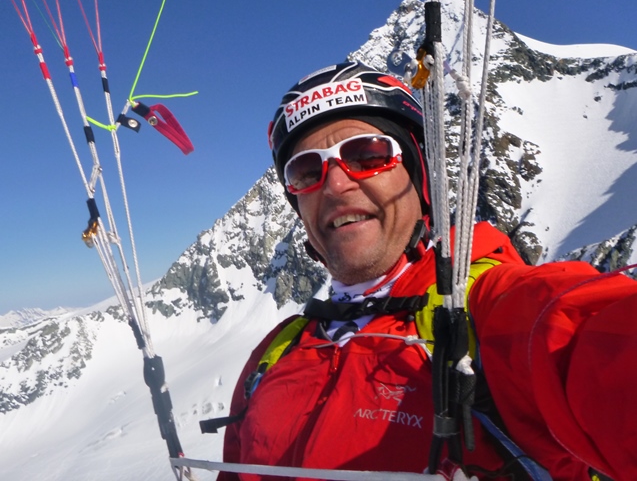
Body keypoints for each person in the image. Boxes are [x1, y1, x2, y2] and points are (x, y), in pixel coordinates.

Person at [216, 61, 637, 481]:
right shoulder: (274, 354)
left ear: (419, 176)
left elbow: (589, 337)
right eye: (306, 171)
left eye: (367, 155)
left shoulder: (486, 313)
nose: (336, 184)